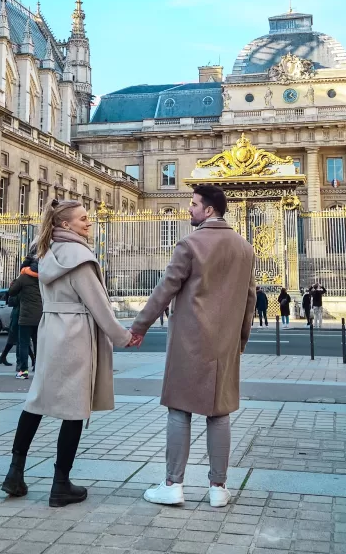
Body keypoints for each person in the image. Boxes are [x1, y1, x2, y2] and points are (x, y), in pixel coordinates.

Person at [129, 184, 255, 508]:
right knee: (220, 413)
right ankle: (218, 488)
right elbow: (250, 300)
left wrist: (140, 325)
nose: (189, 209)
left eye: (194, 204)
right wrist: (240, 339)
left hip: (190, 338)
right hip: (224, 342)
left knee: (179, 409)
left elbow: (164, 289)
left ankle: (172, 483)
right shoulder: (245, 248)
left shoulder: (189, 244)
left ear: (208, 210)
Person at [1, 199, 132, 508]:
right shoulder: (80, 257)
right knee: (74, 407)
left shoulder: (47, 255)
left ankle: (15, 472)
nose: (89, 223)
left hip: (50, 330)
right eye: (83, 219)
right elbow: (98, 303)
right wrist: (123, 336)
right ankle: (61, 484)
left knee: (36, 400)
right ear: (65, 225)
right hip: (75, 333)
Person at [9, 253, 42, 379]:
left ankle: (23, 370)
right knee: (39, 343)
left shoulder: (23, 278)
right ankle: (39, 367)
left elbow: (11, 292)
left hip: (25, 317)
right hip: (40, 317)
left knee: (23, 343)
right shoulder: (44, 278)